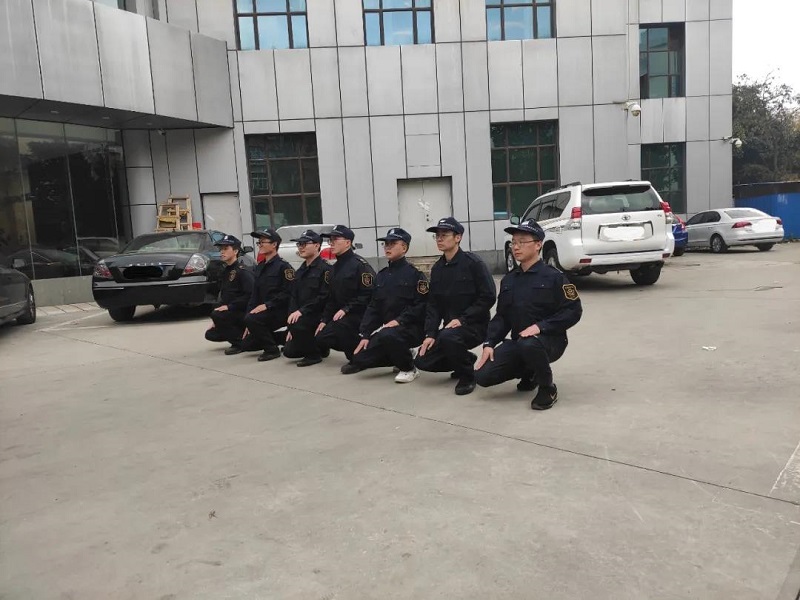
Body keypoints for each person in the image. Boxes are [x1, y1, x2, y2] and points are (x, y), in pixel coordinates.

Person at [475, 218, 583, 410]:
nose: (516, 247)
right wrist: (489, 343)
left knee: (529, 344)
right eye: (513, 242)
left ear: (538, 245)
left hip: (550, 341)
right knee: (483, 376)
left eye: (522, 242)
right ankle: (530, 372)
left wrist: (540, 327)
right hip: (520, 342)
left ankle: (547, 387)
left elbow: (573, 310)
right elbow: (502, 317)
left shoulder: (554, 277)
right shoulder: (509, 280)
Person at [414, 217, 496, 395]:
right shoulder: (438, 269)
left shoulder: (474, 264)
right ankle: (465, 359)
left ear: (458, 237)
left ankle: (467, 376)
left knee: (449, 337)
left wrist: (463, 319)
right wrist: (430, 333)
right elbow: (433, 305)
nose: (439, 239)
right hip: (449, 330)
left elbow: (488, 296)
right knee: (422, 359)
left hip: (474, 325)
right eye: (437, 236)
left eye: (444, 235)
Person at [348, 228, 428, 382]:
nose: (387, 247)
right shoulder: (382, 276)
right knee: (359, 357)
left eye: (392, 244)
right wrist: (365, 334)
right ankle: (403, 355)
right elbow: (374, 307)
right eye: (386, 244)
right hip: (389, 332)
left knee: (389, 334)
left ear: (404, 247)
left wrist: (399, 320)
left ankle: (409, 368)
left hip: (412, 328)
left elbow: (422, 305)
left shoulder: (415, 274)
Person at [314, 225, 376, 371]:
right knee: (321, 336)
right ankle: (363, 349)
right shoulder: (334, 268)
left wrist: (347, 309)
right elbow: (332, 298)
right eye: (330, 240)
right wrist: (324, 319)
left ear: (348, 243)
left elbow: (368, 294)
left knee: (341, 326)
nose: (331, 243)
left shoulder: (360, 265)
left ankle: (356, 359)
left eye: (336, 239)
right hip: (342, 314)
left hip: (360, 313)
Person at [243, 228, 295, 362]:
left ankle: (271, 350)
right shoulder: (260, 267)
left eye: (263, 242)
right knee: (246, 344)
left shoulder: (284, 267)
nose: (260, 245)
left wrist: (267, 305)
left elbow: (289, 293)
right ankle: (282, 338)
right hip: (264, 312)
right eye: (259, 242)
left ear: (274, 244)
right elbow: (255, 294)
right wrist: (248, 317)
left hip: (279, 310)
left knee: (253, 320)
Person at [282, 229, 333, 367]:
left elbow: (324, 296)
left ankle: (314, 355)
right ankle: (319, 347)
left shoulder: (325, 269)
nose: (301, 247)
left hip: (317, 315)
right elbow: (294, 297)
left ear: (317, 245)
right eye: (299, 244)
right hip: (303, 316)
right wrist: (291, 323)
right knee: (288, 352)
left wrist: (302, 312)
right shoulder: (300, 270)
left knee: (298, 324)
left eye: (305, 244)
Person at [204, 234, 255, 355]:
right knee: (211, 334)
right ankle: (241, 335)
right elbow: (225, 295)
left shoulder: (242, 271)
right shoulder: (226, 271)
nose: (222, 252)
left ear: (235, 251)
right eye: (221, 249)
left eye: (226, 248)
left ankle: (240, 343)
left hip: (242, 311)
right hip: (232, 312)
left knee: (217, 314)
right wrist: (216, 321)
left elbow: (250, 295)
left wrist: (229, 307)